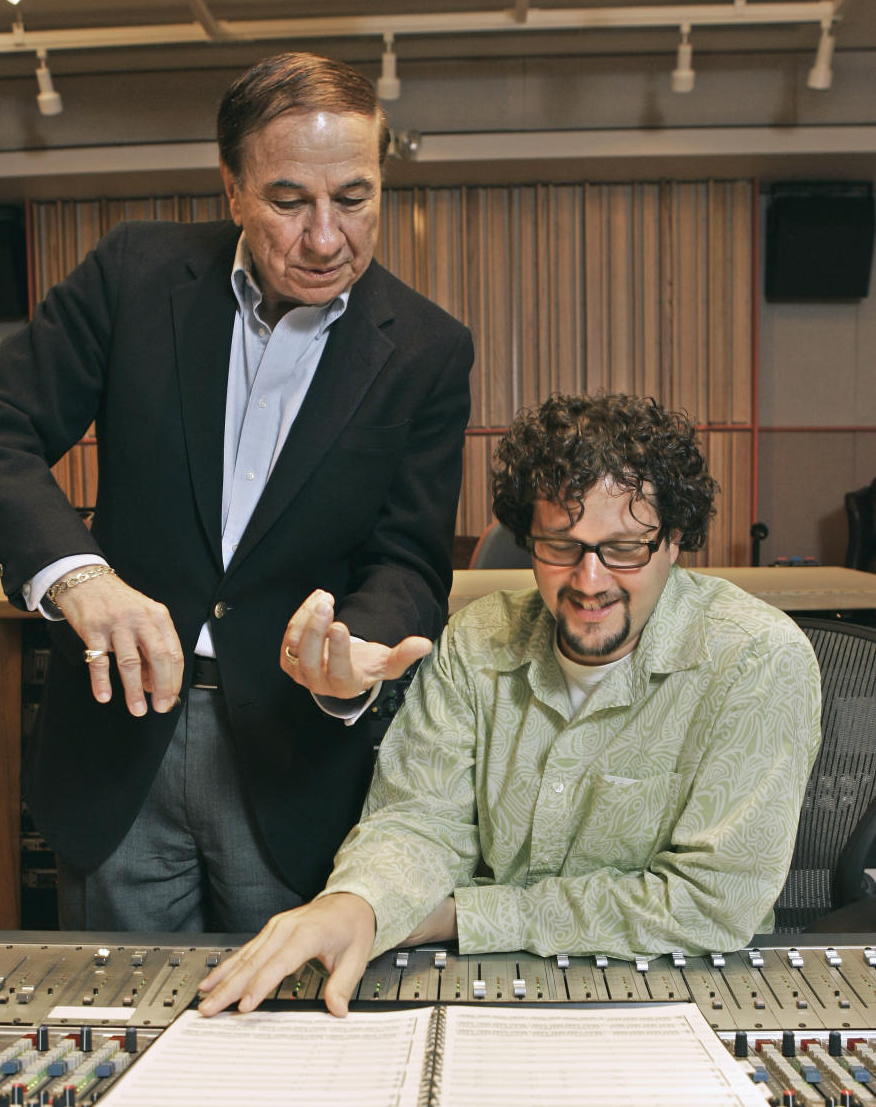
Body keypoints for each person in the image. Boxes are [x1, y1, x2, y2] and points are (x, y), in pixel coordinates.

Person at [0, 51, 473, 933]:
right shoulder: (134, 273)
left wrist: (350, 657)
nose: (327, 237)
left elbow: (407, 558)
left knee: (289, 1043)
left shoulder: (428, 348)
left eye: (356, 198)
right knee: (127, 1035)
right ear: (232, 189)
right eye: (289, 201)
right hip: (118, 748)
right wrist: (80, 579)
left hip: (295, 757)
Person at [198, 391, 822, 1017]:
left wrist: (459, 915)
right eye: (561, 545)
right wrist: (358, 902)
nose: (590, 579)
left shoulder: (757, 660)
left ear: (674, 539)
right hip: (488, 986)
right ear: (528, 540)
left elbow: (709, 904)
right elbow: (419, 819)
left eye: (625, 548)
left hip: (681, 994)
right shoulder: (477, 639)